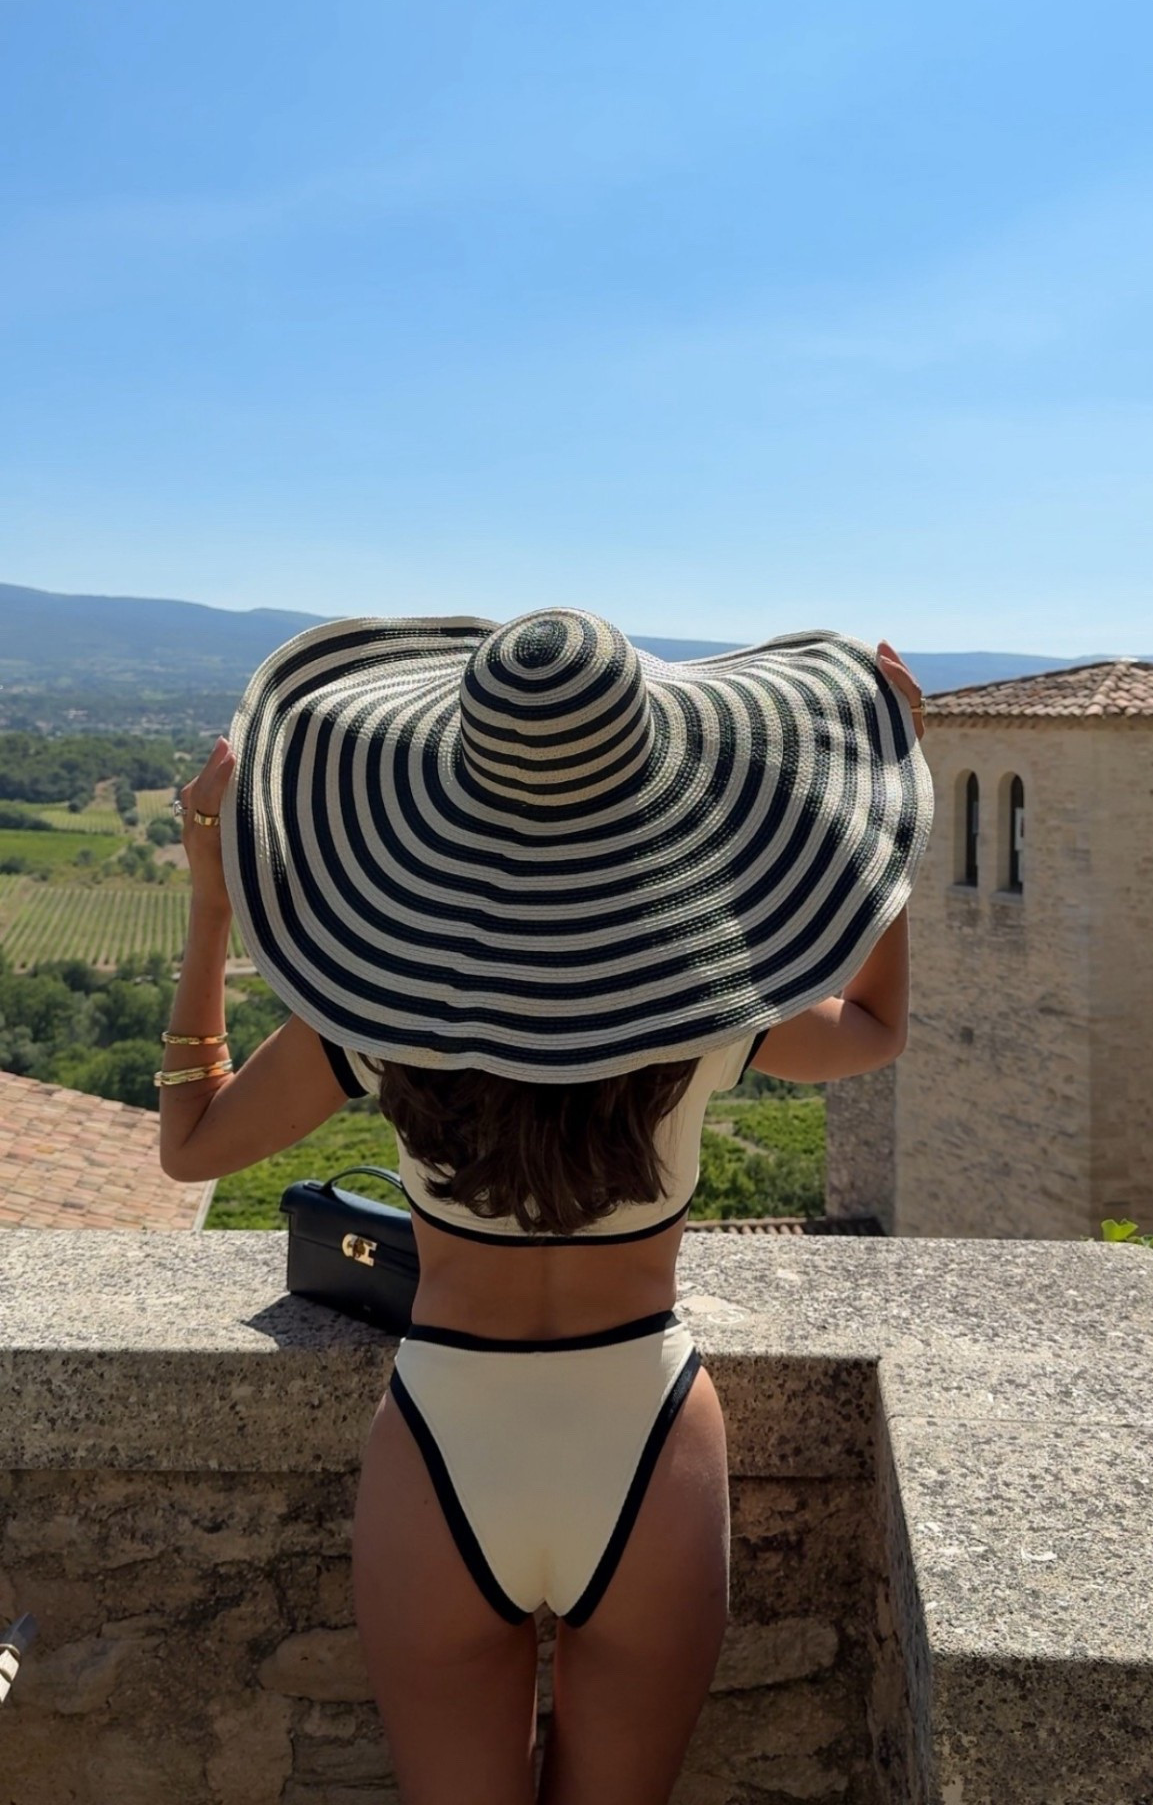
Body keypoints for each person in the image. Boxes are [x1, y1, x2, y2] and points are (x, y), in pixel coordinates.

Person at [157, 610, 930, 1805]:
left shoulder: (379, 1021)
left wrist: (214, 901)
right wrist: (872, 832)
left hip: (440, 1438)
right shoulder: (711, 1015)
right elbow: (875, 1028)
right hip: (647, 1433)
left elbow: (192, 1142)